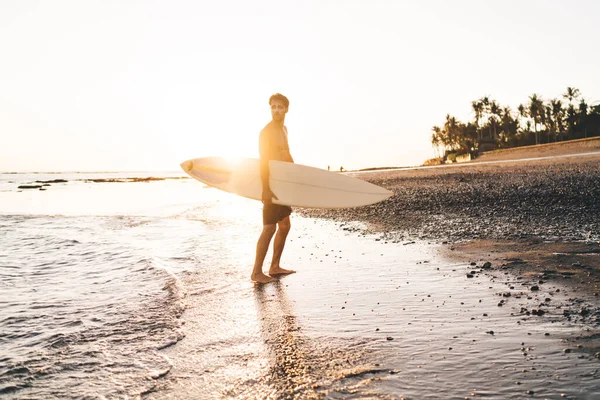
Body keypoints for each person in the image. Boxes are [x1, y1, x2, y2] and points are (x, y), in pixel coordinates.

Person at [251, 93, 296, 283]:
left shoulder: (283, 129)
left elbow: (286, 154)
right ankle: (256, 272)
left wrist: (295, 175)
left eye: (280, 107)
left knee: (284, 225)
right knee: (269, 228)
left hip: (283, 183)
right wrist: (266, 189)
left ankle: (274, 266)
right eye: (273, 107)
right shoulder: (267, 132)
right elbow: (264, 162)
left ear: (286, 109)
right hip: (270, 183)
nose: (276, 110)